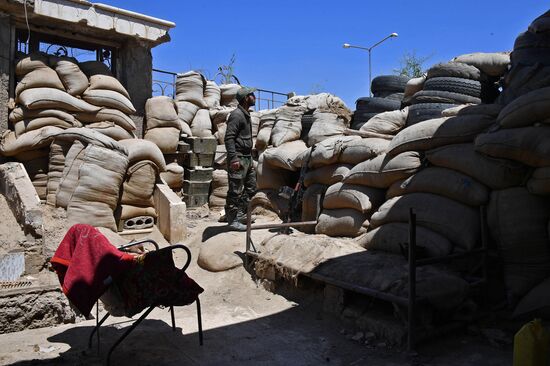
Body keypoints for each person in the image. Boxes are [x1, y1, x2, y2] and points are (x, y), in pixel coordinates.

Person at [224, 86, 257, 231]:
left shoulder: (245, 114)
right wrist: (233, 158)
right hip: (238, 158)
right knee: (235, 191)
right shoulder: (237, 115)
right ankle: (232, 220)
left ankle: (240, 213)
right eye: (252, 95)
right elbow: (229, 138)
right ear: (246, 98)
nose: (254, 97)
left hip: (247, 157)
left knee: (251, 187)